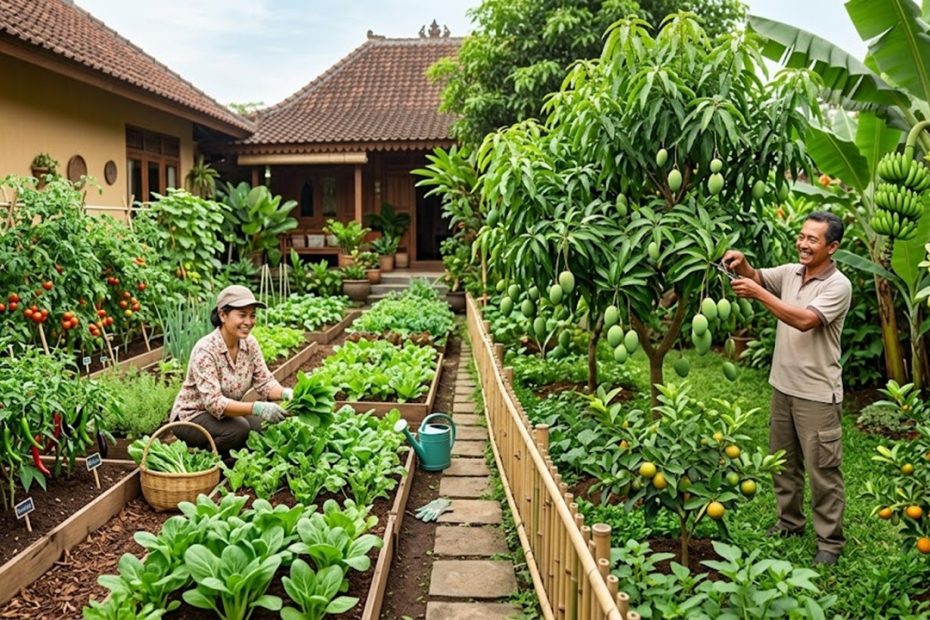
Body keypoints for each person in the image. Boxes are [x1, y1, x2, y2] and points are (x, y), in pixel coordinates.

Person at [723, 211, 851, 566]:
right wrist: (745, 266)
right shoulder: (791, 272)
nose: (803, 244)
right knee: (784, 464)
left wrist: (758, 293)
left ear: (832, 247)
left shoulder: (837, 285)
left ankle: (830, 542)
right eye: (801, 237)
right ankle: (789, 523)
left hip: (817, 394)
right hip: (783, 388)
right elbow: (755, 276)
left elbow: (805, 320)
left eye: (812, 239)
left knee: (822, 471)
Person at [169, 285, 293, 453]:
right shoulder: (206, 350)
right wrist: (257, 407)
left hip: (226, 415)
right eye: (242, 315)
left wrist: (286, 393)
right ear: (222, 315)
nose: (248, 322)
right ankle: (208, 459)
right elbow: (214, 403)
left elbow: (265, 381)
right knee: (239, 429)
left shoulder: (250, 344)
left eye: (252, 315)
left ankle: (234, 457)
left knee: (264, 426)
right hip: (192, 417)